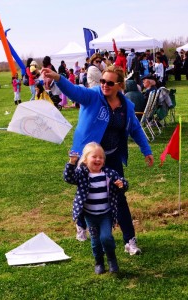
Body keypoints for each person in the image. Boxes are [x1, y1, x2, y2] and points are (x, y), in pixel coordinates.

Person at [42, 65, 154, 255]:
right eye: (102, 81)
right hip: (90, 157)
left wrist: (146, 150)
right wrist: (59, 78)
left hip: (112, 156)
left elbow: (135, 129)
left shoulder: (126, 106)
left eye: (109, 83)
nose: (104, 85)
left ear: (119, 85)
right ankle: (81, 223)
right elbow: (75, 92)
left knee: (119, 194)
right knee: (88, 191)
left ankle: (130, 240)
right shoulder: (93, 96)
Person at [63, 142, 128, 274]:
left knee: (106, 238)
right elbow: (68, 178)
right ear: (86, 159)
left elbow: (124, 182)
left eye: (101, 157)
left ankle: (111, 259)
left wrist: (122, 184)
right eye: (94, 157)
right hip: (90, 215)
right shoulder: (81, 173)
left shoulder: (109, 173)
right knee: (95, 241)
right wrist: (71, 163)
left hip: (106, 214)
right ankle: (99, 262)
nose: (98, 159)